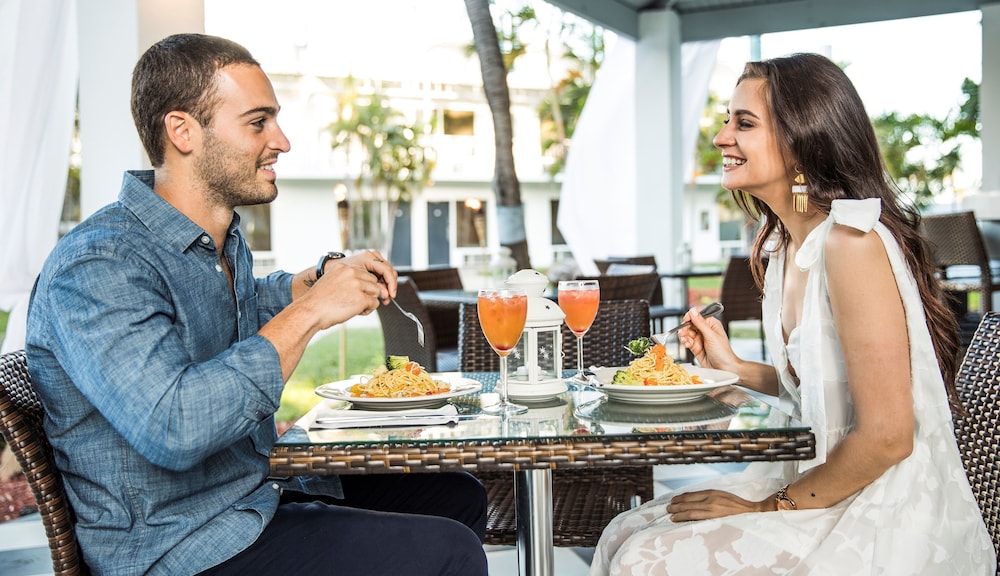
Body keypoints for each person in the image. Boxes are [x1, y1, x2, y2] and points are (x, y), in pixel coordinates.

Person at [25, 33, 488, 576]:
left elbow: (226, 308)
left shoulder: (214, 244)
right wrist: (311, 312)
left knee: (457, 495)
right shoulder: (98, 264)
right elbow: (174, 427)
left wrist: (308, 284)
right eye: (257, 122)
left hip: (251, 496)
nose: (282, 141)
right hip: (180, 545)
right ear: (182, 131)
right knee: (448, 552)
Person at [591, 53, 995, 575]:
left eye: (744, 123)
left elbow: (888, 435)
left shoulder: (852, 244)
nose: (720, 137)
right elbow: (825, 395)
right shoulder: (787, 247)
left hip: (880, 511)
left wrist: (766, 509)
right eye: (727, 120)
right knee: (622, 531)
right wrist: (737, 369)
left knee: (644, 558)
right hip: (818, 481)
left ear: (803, 139)